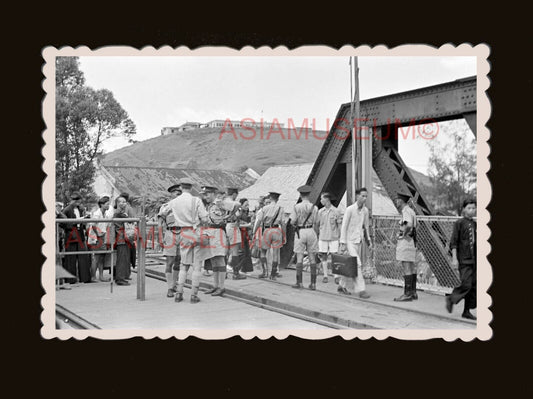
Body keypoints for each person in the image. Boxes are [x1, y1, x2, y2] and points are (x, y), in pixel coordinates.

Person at [169, 178, 209, 303]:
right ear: (191, 187)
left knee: (183, 264)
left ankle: (179, 294)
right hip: (195, 232)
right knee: (197, 265)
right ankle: (194, 295)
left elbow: (165, 213)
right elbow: (205, 218)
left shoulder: (174, 202)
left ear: (181, 187)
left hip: (183, 233)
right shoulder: (196, 200)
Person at [446, 199, 477, 320]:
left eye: (474, 208)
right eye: (469, 208)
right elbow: (453, 243)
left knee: (473, 286)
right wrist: (454, 259)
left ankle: (466, 311)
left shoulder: (475, 224)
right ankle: (451, 298)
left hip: (475, 260)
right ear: (464, 209)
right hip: (464, 260)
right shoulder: (459, 223)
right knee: (466, 284)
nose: (472, 210)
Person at [339, 188, 372, 299]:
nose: (365, 198)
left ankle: (341, 286)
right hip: (349, 241)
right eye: (363, 196)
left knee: (350, 264)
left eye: (366, 196)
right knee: (357, 264)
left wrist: (369, 241)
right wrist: (343, 242)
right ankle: (361, 290)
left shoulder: (365, 211)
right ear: (357, 196)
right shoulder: (350, 209)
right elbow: (344, 226)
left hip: (359, 241)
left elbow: (366, 226)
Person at [290, 185, 319, 290]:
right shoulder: (314, 208)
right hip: (311, 231)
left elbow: (292, 221)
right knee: (312, 257)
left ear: (300, 195)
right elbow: (316, 222)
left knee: (300, 257)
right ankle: (313, 284)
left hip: (300, 231)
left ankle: (299, 282)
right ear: (309, 194)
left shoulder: (296, 207)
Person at [202, 186, 229, 296]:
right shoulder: (209, 205)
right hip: (210, 232)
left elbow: (236, 206)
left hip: (218, 232)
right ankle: (215, 285)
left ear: (213, 193)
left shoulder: (219, 202)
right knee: (213, 259)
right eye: (205, 194)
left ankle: (221, 286)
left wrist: (227, 217)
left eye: (207, 194)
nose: (205, 196)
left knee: (219, 258)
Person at [61, 192, 92, 284]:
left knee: (83, 255)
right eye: (76, 201)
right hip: (71, 233)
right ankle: (70, 279)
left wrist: (84, 219)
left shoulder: (80, 209)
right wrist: (72, 225)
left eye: (79, 202)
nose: (78, 204)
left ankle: (85, 278)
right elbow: (62, 223)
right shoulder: (66, 210)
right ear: (72, 201)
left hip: (79, 233)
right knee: (71, 257)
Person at [158, 184, 182, 297]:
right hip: (169, 233)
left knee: (178, 261)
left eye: (179, 192)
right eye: (176, 192)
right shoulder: (165, 206)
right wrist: (160, 238)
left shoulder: (183, 206)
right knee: (170, 262)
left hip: (182, 233)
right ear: (171, 194)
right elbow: (160, 223)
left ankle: (174, 284)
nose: (178, 194)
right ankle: (169, 287)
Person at [393, 192, 418, 302]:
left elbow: (408, 224)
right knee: (411, 267)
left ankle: (407, 294)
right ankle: (413, 292)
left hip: (406, 241)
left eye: (397, 199)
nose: (396, 201)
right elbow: (418, 226)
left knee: (406, 267)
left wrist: (403, 234)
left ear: (400, 201)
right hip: (411, 241)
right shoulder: (411, 211)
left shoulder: (406, 211)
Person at [253, 191, 284, 280]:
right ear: (277, 199)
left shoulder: (264, 209)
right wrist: (284, 234)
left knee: (263, 251)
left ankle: (265, 271)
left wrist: (254, 232)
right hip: (277, 230)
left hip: (267, 230)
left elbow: (258, 222)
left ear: (270, 198)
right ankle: (273, 274)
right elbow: (283, 223)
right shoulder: (280, 209)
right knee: (275, 253)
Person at [316, 192, 342, 284]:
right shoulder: (320, 212)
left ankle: (336, 276)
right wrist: (317, 236)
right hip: (323, 237)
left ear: (327, 200)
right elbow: (317, 224)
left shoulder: (336, 211)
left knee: (335, 256)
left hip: (333, 237)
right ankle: (325, 275)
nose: (321, 201)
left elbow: (339, 225)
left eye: (322, 199)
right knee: (323, 256)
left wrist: (340, 237)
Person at [224, 187, 247, 280]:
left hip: (225, 226)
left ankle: (224, 272)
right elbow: (238, 213)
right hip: (233, 226)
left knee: (225, 250)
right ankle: (235, 273)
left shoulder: (223, 202)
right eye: (236, 194)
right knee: (234, 251)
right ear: (234, 194)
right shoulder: (234, 203)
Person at [88, 196, 112, 282]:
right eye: (107, 204)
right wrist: (98, 234)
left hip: (102, 235)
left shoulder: (104, 214)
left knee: (102, 257)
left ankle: (101, 276)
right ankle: (93, 276)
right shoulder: (97, 214)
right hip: (97, 237)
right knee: (97, 257)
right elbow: (93, 224)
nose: (108, 205)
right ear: (102, 205)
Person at [113, 195, 134, 286]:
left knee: (124, 258)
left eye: (124, 202)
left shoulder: (121, 212)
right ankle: (120, 278)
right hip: (121, 237)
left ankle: (122, 276)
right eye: (121, 202)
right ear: (117, 203)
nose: (123, 203)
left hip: (124, 236)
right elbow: (130, 221)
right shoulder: (118, 213)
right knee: (121, 258)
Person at [120, 192, 137, 275]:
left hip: (127, 232)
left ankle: (126, 273)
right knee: (129, 253)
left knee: (127, 254)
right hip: (129, 232)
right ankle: (127, 273)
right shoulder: (129, 207)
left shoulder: (125, 207)